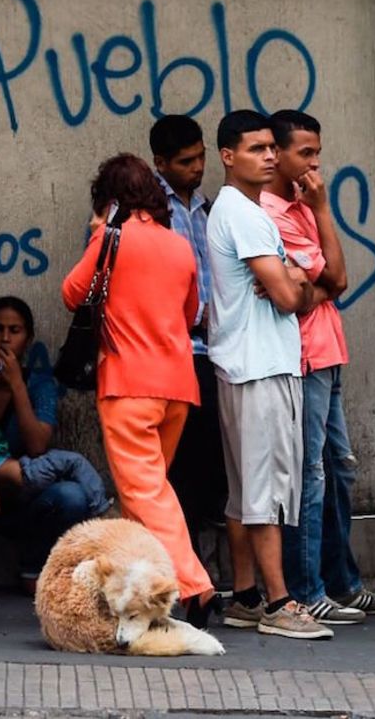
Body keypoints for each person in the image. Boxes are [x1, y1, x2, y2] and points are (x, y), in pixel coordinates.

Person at [62, 154, 218, 628]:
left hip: (129, 385)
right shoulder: (178, 246)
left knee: (146, 493)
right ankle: (142, 595)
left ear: (109, 202)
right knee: (142, 495)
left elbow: (73, 293)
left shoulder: (112, 238)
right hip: (177, 386)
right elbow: (192, 312)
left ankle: (193, 586)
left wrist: (96, 233)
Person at [262, 110, 375, 622]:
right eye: (306, 153)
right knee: (310, 473)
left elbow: (323, 284)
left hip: (328, 349)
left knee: (340, 470)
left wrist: (315, 285)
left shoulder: (299, 205)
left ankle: (343, 582)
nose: (316, 163)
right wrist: (321, 210)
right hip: (304, 356)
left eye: (318, 152)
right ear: (278, 154)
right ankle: (309, 587)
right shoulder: (275, 212)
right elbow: (336, 277)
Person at [205, 110, 331, 639]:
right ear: (228, 157)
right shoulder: (248, 215)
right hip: (260, 366)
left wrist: (294, 279)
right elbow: (287, 296)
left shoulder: (237, 210)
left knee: (245, 489)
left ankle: (246, 596)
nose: (270, 156)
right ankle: (280, 604)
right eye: (257, 149)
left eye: (270, 148)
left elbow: (292, 287)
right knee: (266, 491)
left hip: (244, 364)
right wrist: (298, 281)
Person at [0, 297, 110, 594]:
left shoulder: (39, 384)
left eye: (14, 330)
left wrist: (17, 385)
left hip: (25, 501)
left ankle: (34, 564)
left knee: (71, 495)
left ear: (28, 338)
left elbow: (37, 446)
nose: (5, 338)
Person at [149, 116, 229, 558]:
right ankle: (187, 562)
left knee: (211, 457)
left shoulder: (207, 207)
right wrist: (197, 315)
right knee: (181, 466)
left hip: (215, 349)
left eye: (200, 157)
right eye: (185, 161)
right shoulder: (153, 213)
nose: (197, 167)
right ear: (160, 163)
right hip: (177, 350)